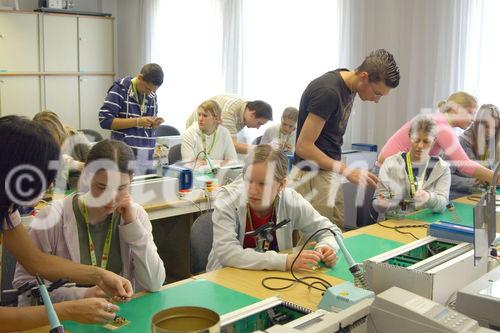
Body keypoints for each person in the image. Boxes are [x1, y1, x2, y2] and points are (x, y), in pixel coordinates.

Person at [0, 116, 132, 331]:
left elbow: (36, 261)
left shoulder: (6, 207)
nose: (50, 186)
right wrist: (68, 309)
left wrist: (98, 275)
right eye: (45, 179)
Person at [13, 139, 166, 305]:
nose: (111, 199)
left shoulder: (135, 215)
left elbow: (154, 282)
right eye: (102, 187)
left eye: (121, 188)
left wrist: (133, 226)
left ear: (131, 180)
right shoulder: (52, 218)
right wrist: (82, 294)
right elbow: (25, 290)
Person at [291, 49, 400, 229]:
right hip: (311, 175)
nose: (376, 100)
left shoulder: (349, 86)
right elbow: (303, 147)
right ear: (364, 77)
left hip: (328, 171)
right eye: (377, 92)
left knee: (336, 233)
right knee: (317, 241)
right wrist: (347, 171)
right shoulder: (328, 91)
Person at [206, 144, 341, 271]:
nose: (252, 190)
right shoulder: (227, 199)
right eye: (248, 180)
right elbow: (227, 252)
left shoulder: (291, 200)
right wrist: (284, 261)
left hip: (271, 277)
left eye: (263, 184)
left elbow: (330, 231)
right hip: (227, 277)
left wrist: (326, 247)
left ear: (281, 185)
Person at [376, 92, 497, 186]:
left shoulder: (437, 120)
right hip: (390, 174)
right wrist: (497, 178)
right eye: (470, 112)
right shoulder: (441, 125)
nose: (473, 119)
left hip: (392, 172)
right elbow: (465, 165)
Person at [373, 115, 451, 219]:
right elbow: (377, 201)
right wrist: (381, 204)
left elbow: (442, 205)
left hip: (424, 224)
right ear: (409, 137)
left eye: (426, 141)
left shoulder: (442, 168)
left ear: (434, 140)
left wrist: (429, 197)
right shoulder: (390, 163)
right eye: (416, 140)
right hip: (393, 224)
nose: (420, 146)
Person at [98, 63, 165, 174]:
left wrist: (154, 124)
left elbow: (147, 128)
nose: (150, 93)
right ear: (140, 78)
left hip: (146, 156)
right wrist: (137, 121)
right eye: (148, 88)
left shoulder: (151, 94)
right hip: (124, 157)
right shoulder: (120, 89)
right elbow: (104, 120)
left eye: (153, 91)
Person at [185, 95, 273, 154]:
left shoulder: (244, 110)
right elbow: (232, 145)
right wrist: (262, 150)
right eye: (259, 123)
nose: (258, 127)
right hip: (198, 132)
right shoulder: (228, 113)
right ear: (252, 114)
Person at [449, 104, 500, 199]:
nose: (490, 132)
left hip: (480, 197)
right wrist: (473, 182)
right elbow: (446, 176)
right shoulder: (460, 142)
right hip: (458, 199)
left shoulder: (494, 144)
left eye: (495, 127)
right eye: (486, 126)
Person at [33, 111, 91, 190]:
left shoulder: (78, 139)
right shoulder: (37, 146)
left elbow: (97, 169)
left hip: (79, 192)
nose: (50, 145)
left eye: (53, 139)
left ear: (59, 131)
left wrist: (75, 165)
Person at [181, 100, 237, 164]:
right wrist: (221, 163)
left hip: (219, 173)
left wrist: (207, 163)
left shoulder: (224, 132)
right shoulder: (189, 133)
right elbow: (189, 164)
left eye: (205, 115)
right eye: (199, 115)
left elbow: (233, 161)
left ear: (216, 118)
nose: (200, 119)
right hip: (196, 174)